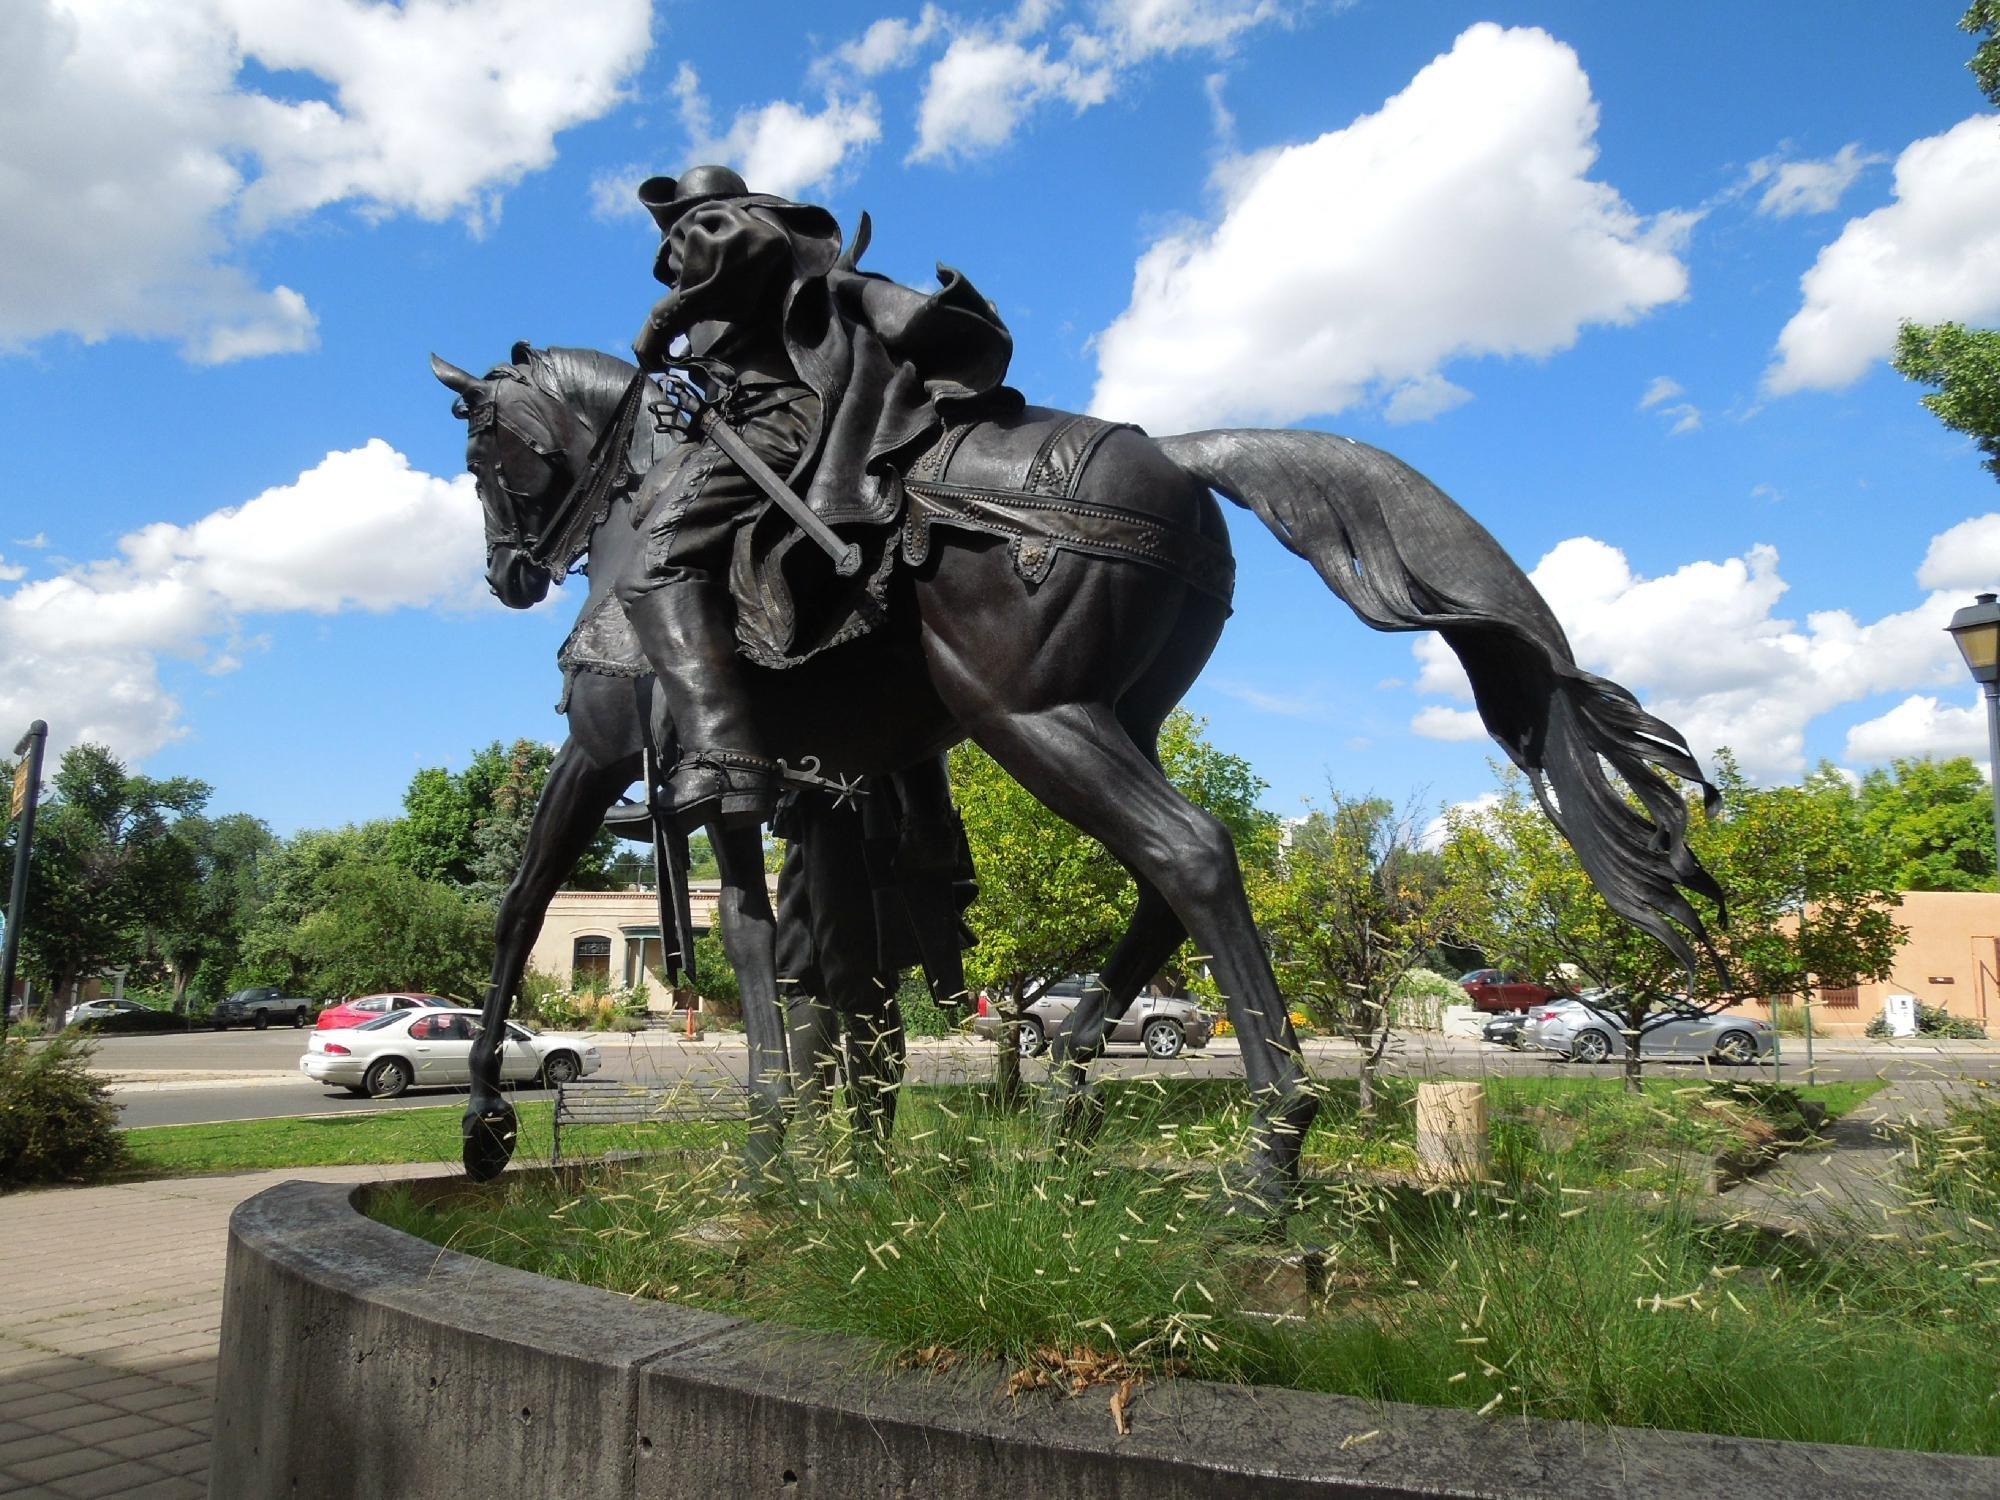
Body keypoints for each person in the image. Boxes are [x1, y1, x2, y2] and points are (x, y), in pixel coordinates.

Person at [617, 165, 1016, 832]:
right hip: (764, 421)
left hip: (776, 427)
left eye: (677, 228)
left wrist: (667, 316)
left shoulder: (732, 225)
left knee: (652, 570)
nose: (672, 248)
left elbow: (743, 240)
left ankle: (722, 755)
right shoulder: (738, 266)